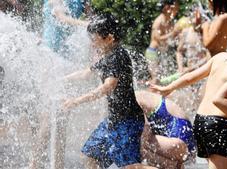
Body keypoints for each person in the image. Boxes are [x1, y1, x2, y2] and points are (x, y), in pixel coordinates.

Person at [150, 20, 227, 169]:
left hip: (200, 121)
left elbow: (190, 77)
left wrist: (168, 87)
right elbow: (219, 99)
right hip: (218, 125)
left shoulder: (220, 57)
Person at [62, 14, 150, 169]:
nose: (92, 44)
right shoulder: (109, 56)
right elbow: (86, 73)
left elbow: (107, 87)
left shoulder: (118, 57)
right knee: (91, 156)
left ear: (109, 38)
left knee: (131, 166)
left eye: (94, 39)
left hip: (127, 122)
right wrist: (62, 79)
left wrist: (76, 101)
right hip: (114, 120)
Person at [135, 90, 196, 169]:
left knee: (135, 149)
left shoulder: (132, 99)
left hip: (176, 139)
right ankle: (173, 165)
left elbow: (145, 130)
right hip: (185, 137)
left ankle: (171, 165)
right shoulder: (139, 94)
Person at [145, 0, 179, 84]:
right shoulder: (158, 21)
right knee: (156, 79)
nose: (177, 10)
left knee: (162, 80)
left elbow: (172, 37)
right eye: (175, 8)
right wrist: (173, 33)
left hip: (162, 53)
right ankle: (151, 95)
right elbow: (157, 38)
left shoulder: (169, 21)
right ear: (167, 8)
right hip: (153, 52)